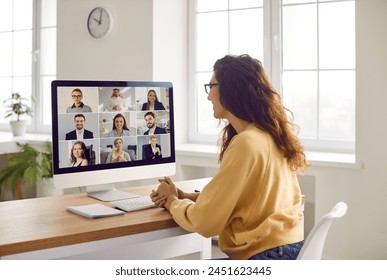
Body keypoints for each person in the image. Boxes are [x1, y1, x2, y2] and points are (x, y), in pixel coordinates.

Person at [150, 54, 309, 260]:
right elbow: (248, 198)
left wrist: (171, 201)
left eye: (211, 86)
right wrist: (187, 197)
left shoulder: (246, 143)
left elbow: (205, 222)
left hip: (264, 256)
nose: (208, 96)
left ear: (230, 89)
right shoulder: (269, 135)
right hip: (286, 249)